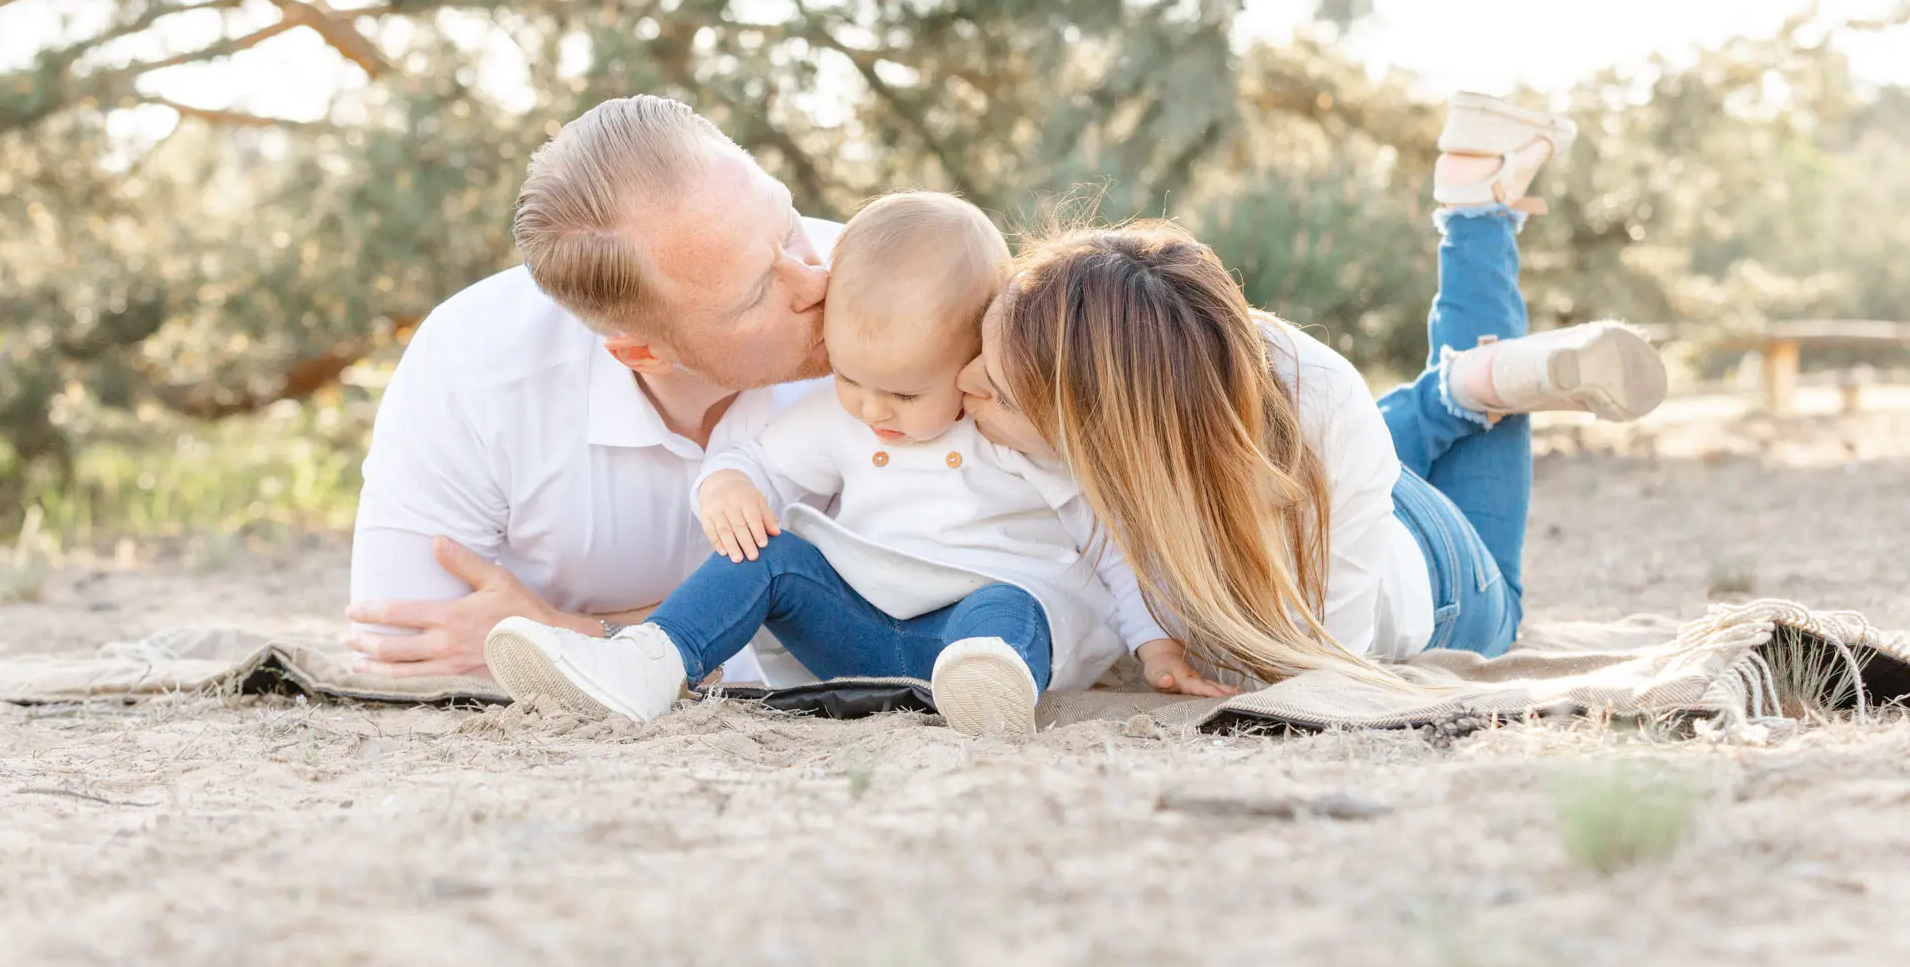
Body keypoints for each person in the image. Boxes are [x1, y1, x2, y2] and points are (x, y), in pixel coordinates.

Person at [957, 93, 1667, 698]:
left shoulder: (1314, 411)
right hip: (1312, 467)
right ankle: (1450, 392)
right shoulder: (1186, 379)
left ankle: (1474, 247)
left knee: (1503, 602)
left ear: (1105, 427)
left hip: (1434, 576)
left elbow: (1329, 668)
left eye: (997, 393)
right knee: (1316, 443)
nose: (963, 384)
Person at [478, 192, 1154, 736]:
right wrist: (727, 487)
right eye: (850, 376)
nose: (871, 406)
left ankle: (990, 688)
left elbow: (1112, 541)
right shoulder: (843, 416)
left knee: (1012, 603)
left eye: (906, 391)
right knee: (769, 553)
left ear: (975, 349)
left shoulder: (1009, 426)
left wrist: (1154, 641)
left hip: (975, 627)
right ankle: (646, 663)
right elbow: (758, 462)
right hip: (856, 627)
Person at [342, 95, 839, 682]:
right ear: (642, 352)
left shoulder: (905, 296)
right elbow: (406, 649)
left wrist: (562, 634)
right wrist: (776, 619)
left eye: (786, 223)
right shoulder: (475, 368)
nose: (818, 278)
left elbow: (911, 627)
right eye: (757, 294)